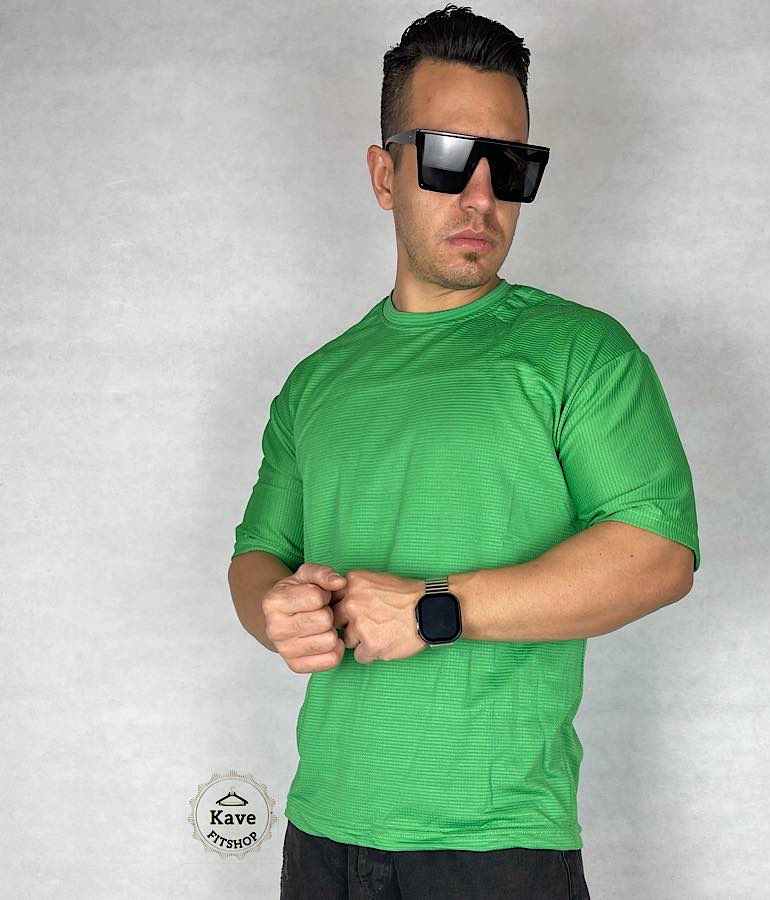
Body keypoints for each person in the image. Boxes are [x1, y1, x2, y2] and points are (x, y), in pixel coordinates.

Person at [228, 5, 700, 898]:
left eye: (508, 165)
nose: (481, 196)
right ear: (384, 173)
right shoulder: (317, 381)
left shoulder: (580, 353)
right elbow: (258, 554)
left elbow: (658, 555)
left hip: (494, 850)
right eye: (448, 157)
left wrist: (437, 609)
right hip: (320, 834)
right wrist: (273, 610)